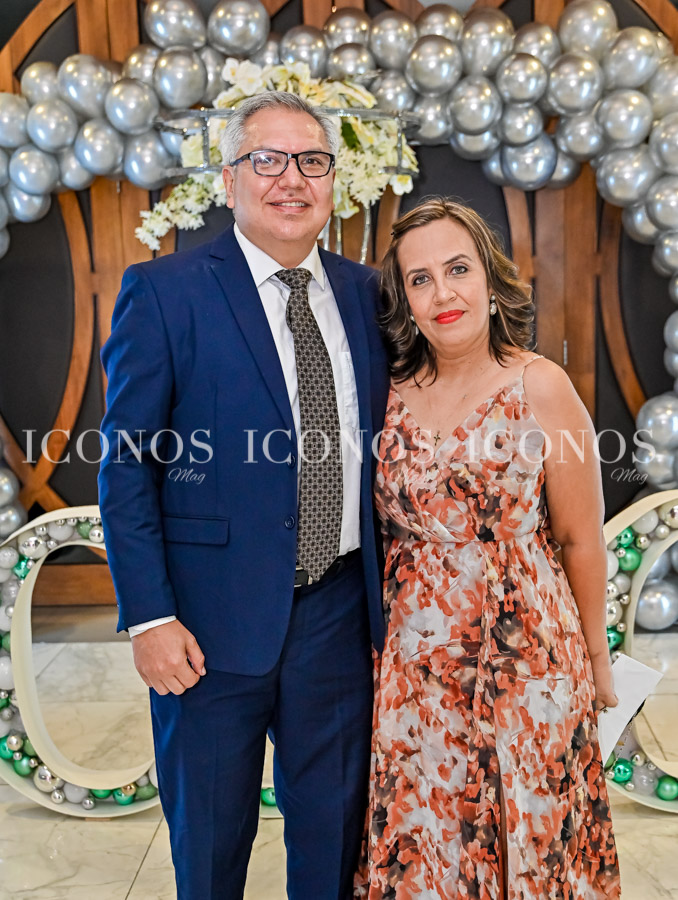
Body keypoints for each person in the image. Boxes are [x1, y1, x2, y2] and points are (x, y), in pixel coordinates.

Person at [98, 91, 390, 900]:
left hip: (338, 618)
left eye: (312, 161)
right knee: (210, 846)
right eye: (267, 159)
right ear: (229, 180)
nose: (291, 179)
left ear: (334, 182)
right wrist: (150, 618)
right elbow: (126, 466)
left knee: (333, 843)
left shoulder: (369, 295)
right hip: (205, 626)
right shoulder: (165, 292)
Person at [357, 197, 621, 899]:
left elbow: (579, 538)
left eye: (457, 269)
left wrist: (597, 662)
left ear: (490, 278)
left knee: (528, 841)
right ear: (404, 299)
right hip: (415, 677)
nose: (442, 294)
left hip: (527, 666)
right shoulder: (385, 392)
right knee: (429, 846)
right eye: (420, 279)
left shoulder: (541, 386)